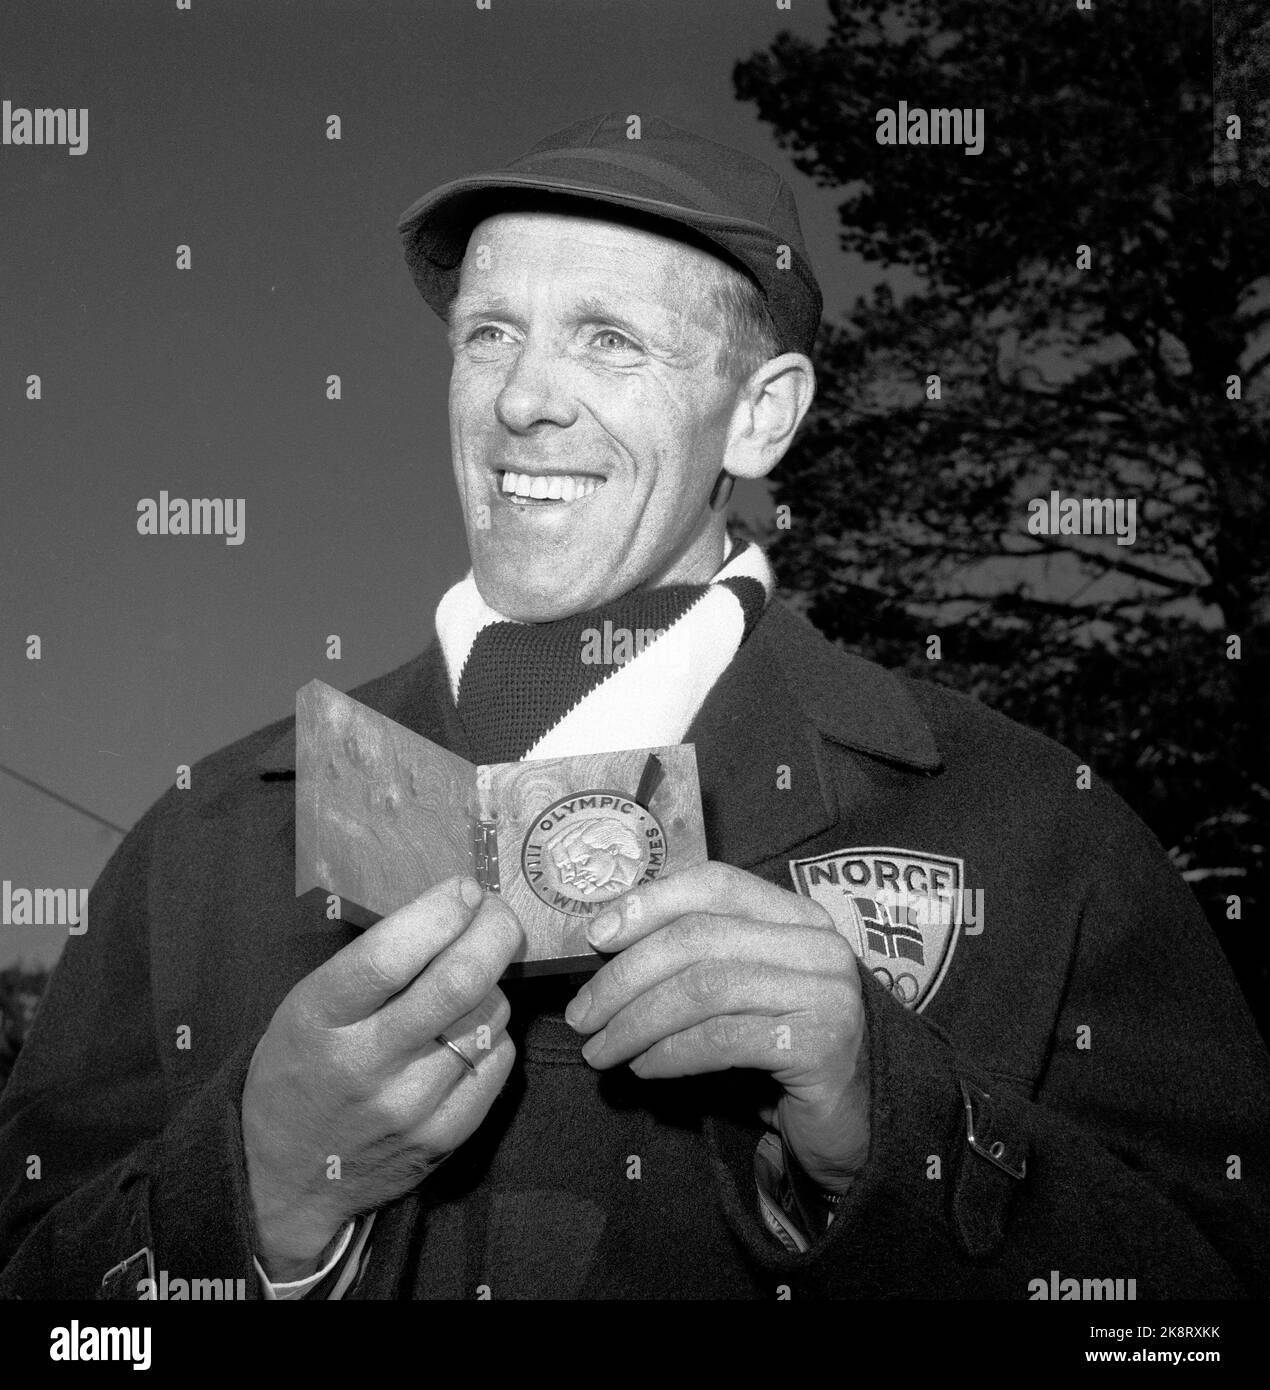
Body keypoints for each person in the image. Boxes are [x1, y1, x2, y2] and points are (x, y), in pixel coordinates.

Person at [1, 112, 1267, 1301]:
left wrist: (899, 1131)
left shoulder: (1032, 824)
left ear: (760, 417)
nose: (521, 399)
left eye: (607, 337)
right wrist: (253, 1185)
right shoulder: (202, 838)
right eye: (489, 333)